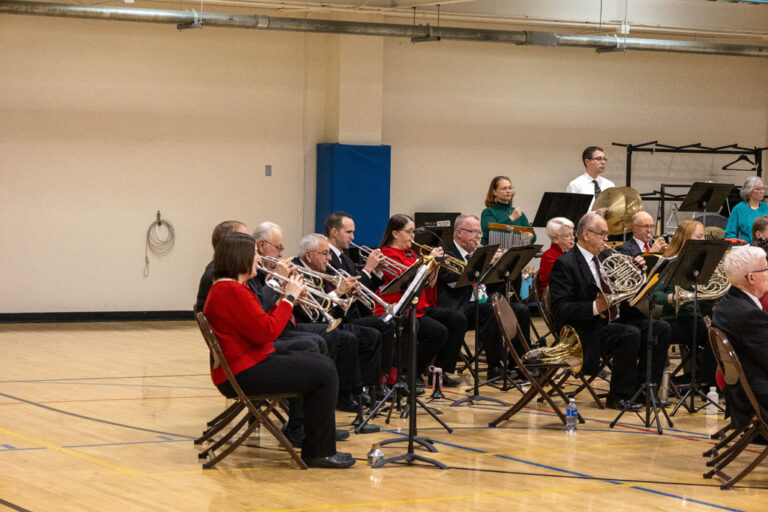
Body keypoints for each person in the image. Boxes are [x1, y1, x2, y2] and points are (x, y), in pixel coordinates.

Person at [202, 232, 354, 468]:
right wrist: (288, 298)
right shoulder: (230, 290)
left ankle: (309, 435)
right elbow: (266, 331)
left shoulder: (230, 288)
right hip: (244, 371)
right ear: (239, 257)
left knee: (314, 356)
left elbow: (260, 326)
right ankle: (318, 451)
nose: (258, 260)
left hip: (246, 362)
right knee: (324, 371)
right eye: (254, 255)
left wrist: (285, 297)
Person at [251, 222, 366, 413]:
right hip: (274, 333)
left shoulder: (265, 271)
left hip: (283, 325)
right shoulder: (255, 275)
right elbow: (261, 309)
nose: (281, 254)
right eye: (278, 248)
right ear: (261, 246)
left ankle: (333, 399)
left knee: (332, 336)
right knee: (320, 340)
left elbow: (270, 305)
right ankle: (315, 407)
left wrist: (290, 296)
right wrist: (285, 293)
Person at [548, 212, 645, 411]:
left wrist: (636, 269)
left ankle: (642, 391)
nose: (606, 239)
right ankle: (619, 396)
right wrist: (595, 307)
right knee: (630, 334)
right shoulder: (565, 264)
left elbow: (623, 286)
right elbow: (560, 309)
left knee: (659, 328)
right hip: (585, 330)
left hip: (613, 321)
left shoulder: (605, 256)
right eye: (602, 234)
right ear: (586, 235)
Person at [374, 214, 467, 385]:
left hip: (421, 306)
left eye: (413, 232)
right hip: (402, 308)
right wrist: (429, 260)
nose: (413, 236)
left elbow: (430, 284)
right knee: (438, 332)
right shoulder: (386, 254)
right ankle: (412, 373)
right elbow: (407, 281)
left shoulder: (411, 253)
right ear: (395, 233)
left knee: (457, 320)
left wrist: (435, 265)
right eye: (409, 232)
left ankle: (439, 371)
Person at [436, 214, 532, 380]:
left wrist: (499, 267)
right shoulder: (446, 254)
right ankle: (494, 366)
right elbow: (453, 281)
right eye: (473, 232)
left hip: (482, 302)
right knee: (491, 310)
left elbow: (491, 286)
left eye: (479, 233)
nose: (478, 237)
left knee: (520, 310)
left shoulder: (481, 254)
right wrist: (482, 263)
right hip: (459, 306)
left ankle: (520, 363)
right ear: (459, 233)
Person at [292, 233, 383, 404]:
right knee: (347, 339)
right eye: (325, 254)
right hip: (309, 324)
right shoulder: (297, 270)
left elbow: (334, 305)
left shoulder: (321, 271)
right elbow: (311, 311)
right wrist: (338, 292)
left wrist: (348, 295)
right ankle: (346, 393)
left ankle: (368, 388)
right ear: (309, 255)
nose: (329, 258)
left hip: (329, 320)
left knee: (372, 335)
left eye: (329, 254)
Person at [325, 212, 395, 390]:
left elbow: (362, 290)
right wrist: (368, 269)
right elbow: (345, 291)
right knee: (379, 329)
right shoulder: (326, 259)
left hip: (353, 312)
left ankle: (380, 379)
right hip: (340, 316)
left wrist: (376, 272)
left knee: (388, 322)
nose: (353, 237)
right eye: (348, 232)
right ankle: (370, 384)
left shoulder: (345, 258)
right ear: (334, 232)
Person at [651, 220, 717, 388]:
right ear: (686, 238)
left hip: (694, 317)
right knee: (713, 338)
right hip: (674, 319)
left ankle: (699, 378)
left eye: (703, 237)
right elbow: (654, 294)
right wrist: (674, 297)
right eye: (698, 236)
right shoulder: (671, 262)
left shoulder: (702, 263)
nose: (702, 241)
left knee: (720, 333)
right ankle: (707, 382)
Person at [711, 245, 768, 431]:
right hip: (755, 390)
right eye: (765, 269)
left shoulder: (729, 303)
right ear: (752, 277)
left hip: (741, 386)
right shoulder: (747, 314)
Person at [480, 176, 535, 247]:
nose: (508, 191)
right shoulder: (488, 212)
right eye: (504, 188)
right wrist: (511, 218)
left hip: (514, 251)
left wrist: (529, 236)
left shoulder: (519, 214)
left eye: (510, 188)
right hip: (494, 253)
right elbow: (490, 233)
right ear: (494, 192)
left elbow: (534, 237)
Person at [566, 146, 615, 211]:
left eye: (604, 159)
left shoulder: (609, 184)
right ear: (587, 162)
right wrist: (595, 214)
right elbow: (573, 211)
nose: (603, 162)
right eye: (598, 159)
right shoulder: (576, 185)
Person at [725, 176, 768, 244]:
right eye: (758, 189)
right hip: (746, 248)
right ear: (749, 191)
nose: (762, 192)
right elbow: (730, 234)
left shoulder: (766, 207)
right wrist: (739, 248)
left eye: (763, 189)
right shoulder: (738, 209)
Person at [538, 217, 574, 289]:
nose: (572, 238)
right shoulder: (548, 256)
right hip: (555, 296)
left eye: (573, 234)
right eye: (568, 235)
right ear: (556, 238)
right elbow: (564, 280)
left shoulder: (568, 253)